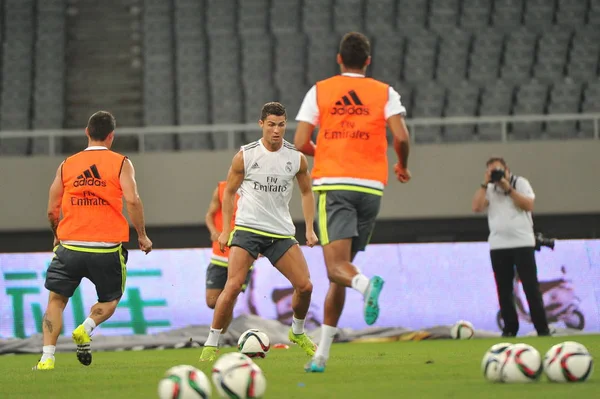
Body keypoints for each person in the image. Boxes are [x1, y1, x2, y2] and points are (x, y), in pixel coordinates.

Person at [293, 31, 412, 373]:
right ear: (368, 61)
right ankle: (322, 355)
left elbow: (301, 141)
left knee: (337, 270)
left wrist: (325, 150)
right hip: (371, 189)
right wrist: (402, 164)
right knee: (339, 273)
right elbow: (401, 136)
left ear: (339, 58)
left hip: (335, 186)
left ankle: (365, 284)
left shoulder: (320, 91)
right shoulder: (385, 92)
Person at [199, 102, 319, 362]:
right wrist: (226, 230)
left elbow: (307, 192)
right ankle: (212, 343)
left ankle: (297, 332)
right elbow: (229, 193)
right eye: (272, 124)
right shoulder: (245, 155)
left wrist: (309, 228)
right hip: (248, 229)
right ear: (261, 125)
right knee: (231, 287)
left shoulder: (295, 158)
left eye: (281, 125)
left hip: (280, 233)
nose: (277, 130)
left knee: (305, 286)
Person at [33, 111, 152, 370]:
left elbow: (52, 208)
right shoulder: (121, 163)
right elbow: (132, 200)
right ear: (111, 136)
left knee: (56, 300)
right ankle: (86, 328)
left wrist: (57, 234)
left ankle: (47, 358)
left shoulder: (67, 164)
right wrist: (141, 235)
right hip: (106, 249)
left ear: (86, 132)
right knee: (110, 299)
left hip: (70, 246)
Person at [472, 157, 550, 337]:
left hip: (522, 242)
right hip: (499, 244)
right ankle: (510, 328)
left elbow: (528, 205)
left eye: (498, 170)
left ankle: (542, 328)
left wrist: (508, 188)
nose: (496, 175)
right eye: (492, 171)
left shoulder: (520, 183)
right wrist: (485, 184)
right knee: (504, 288)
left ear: (507, 169)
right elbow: (476, 207)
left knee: (530, 287)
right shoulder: (489, 188)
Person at [204, 180, 253, 333]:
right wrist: (213, 231)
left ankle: (217, 338)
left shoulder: (256, 190)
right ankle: (220, 333)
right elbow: (209, 215)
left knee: (229, 297)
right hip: (220, 255)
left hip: (244, 255)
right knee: (212, 301)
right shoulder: (221, 188)